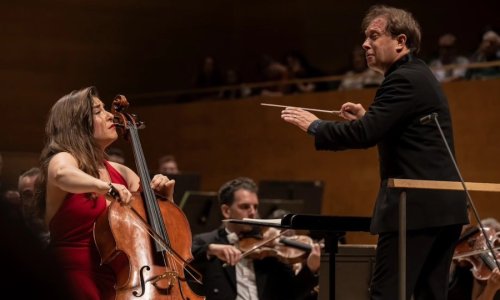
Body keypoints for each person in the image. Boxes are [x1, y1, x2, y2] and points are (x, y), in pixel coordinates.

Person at [280, 5, 468, 300]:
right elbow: (406, 135)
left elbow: (364, 134)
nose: (365, 44)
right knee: (429, 295)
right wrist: (368, 117)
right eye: (365, 38)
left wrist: (315, 126)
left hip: (415, 209)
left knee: (386, 294)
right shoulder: (419, 75)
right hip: (442, 207)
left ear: (400, 42)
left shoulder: (403, 79)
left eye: (374, 36)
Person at [34, 86, 176, 299]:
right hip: (72, 280)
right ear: (77, 124)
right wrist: (104, 187)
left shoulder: (122, 173)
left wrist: (166, 198)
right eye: (98, 111)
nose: (111, 115)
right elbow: (61, 174)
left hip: (121, 281)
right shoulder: (64, 158)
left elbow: (158, 229)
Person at [189, 177, 321, 300]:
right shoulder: (207, 242)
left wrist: (310, 269)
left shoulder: (267, 246)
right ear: (226, 211)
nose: (253, 212)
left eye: (255, 207)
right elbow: (183, 264)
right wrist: (210, 250)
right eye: (245, 207)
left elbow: (292, 293)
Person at [18, 167, 50, 248]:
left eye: (40, 193)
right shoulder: (14, 238)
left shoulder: (64, 234)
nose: (35, 200)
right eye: (28, 195)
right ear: (20, 200)